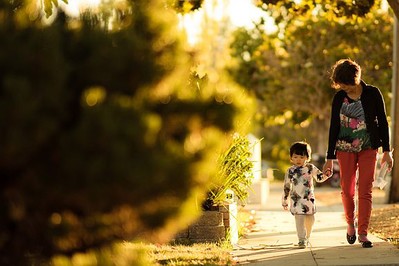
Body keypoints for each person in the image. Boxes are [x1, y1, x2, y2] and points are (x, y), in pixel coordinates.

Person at [322, 59, 394, 248]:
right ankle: (350, 224)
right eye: (340, 85)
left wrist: (387, 151)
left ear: (355, 79)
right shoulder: (339, 98)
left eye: (345, 84)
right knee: (347, 189)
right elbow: (334, 127)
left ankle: (363, 232)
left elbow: (383, 123)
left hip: (369, 147)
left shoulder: (373, 93)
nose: (342, 88)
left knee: (365, 190)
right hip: (344, 149)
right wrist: (329, 158)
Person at [282, 141, 330, 248]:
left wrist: (326, 175)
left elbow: (319, 178)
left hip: (309, 199)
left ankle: (307, 236)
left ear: (307, 157)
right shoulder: (290, 171)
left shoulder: (310, 168)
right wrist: (285, 200)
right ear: (291, 158)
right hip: (296, 200)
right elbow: (286, 186)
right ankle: (301, 240)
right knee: (299, 219)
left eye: (301, 157)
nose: (298, 160)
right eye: (295, 157)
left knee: (310, 219)